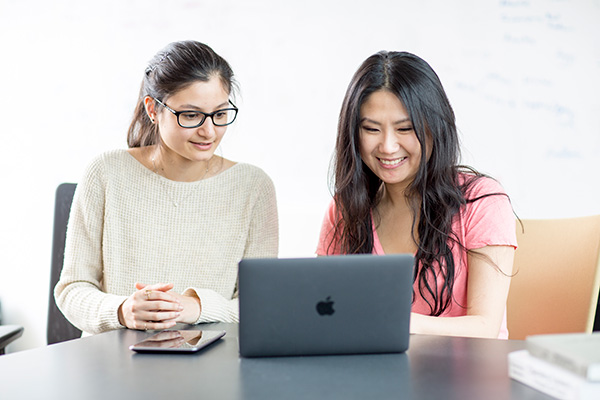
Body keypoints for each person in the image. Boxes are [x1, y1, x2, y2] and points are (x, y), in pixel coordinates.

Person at [55, 40, 278, 335]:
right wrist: (122, 311)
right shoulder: (106, 173)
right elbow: (72, 290)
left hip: (211, 368)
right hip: (115, 363)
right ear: (153, 109)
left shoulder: (253, 187)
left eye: (220, 114)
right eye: (190, 115)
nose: (209, 131)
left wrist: (196, 307)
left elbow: (261, 305)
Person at [317, 51, 516, 339]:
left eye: (405, 129)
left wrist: (393, 322)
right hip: (376, 375)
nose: (387, 146)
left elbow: (484, 327)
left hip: (464, 377)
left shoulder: (482, 201)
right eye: (371, 129)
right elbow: (324, 312)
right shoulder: (345, 210)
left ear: (435, 127)